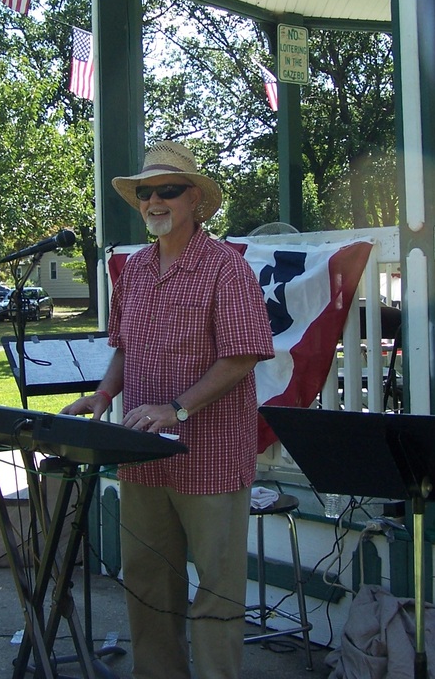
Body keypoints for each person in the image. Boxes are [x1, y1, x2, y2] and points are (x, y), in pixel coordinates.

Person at [61, 140, 274, 679]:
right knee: (148, 582)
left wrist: (176, 408)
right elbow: (126, 348)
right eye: (145, 192)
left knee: (216, 589)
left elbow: (242, 355)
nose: (154, 201)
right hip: (142, 453)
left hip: (211, 453)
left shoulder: (227, 267)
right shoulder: (132, 270)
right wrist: (106, 394)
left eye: (168, 191)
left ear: (196, 199)